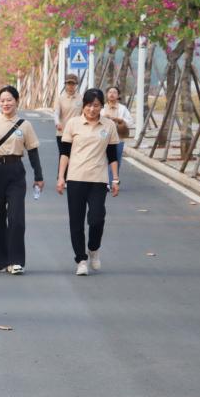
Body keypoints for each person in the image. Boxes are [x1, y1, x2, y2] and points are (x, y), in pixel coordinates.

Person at [0, 85, 44, 275]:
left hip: (15, 171)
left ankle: (16, 261)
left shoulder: (25, 125)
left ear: (16, 101)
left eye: (9, 100)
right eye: (2, 100)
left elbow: (33, 151)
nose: (5, 103)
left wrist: (38, 176)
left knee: (16, 218)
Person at [56, 88, 120, 275]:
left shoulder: (108, 125)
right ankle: (81, 260)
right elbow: (65, 153)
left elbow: (112, 155)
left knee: (97, 218)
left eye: (97, 106)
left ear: (102, 106)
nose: (92, 109)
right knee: (76, 221)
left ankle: (93, 248)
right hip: (75, 178)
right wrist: (61, 177)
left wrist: (115, 179)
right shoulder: (73, 124)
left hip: (98, 179)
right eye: (89, 105)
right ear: (83, 105)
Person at [102, 86, 132, 180]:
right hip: (103, 137)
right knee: (103, 161)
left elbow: (130, 121)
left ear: (118, 95)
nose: (112, 94)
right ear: (107, 95)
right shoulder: (102, 108)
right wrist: (103, 118)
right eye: (110, 92)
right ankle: (104, 181)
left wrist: (120, 120)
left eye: (114, 92)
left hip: (118, 138)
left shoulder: (122, 108)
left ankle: (112, 181)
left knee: (116, 161)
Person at [54, 73, 82, 170]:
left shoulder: (81, 98)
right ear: (65, 84)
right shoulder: (60, 98)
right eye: (68, 83)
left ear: (76, 85)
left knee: (75, 156)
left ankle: (72, 176)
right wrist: (57, 123)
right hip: (62, 132)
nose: (70, 86)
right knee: (64, 156)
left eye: (73, 84)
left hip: (77, 133)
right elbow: (56, 113)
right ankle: (61, 177)